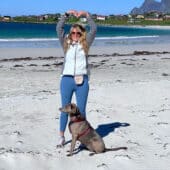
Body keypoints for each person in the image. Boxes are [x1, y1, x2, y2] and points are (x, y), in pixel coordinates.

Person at [56, 10, 97, 146]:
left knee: (82, 111)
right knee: (64, 110)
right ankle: (61, 136)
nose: (75, 35)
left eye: (78, 33)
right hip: (66, 80)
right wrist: (66, 15)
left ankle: (82, 137)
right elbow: (59, 28)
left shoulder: (85, 44)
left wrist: (86, 15)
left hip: (82, 81)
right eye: (73, 32)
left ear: (81, 34)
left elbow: (94, 28)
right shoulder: (65, 43)